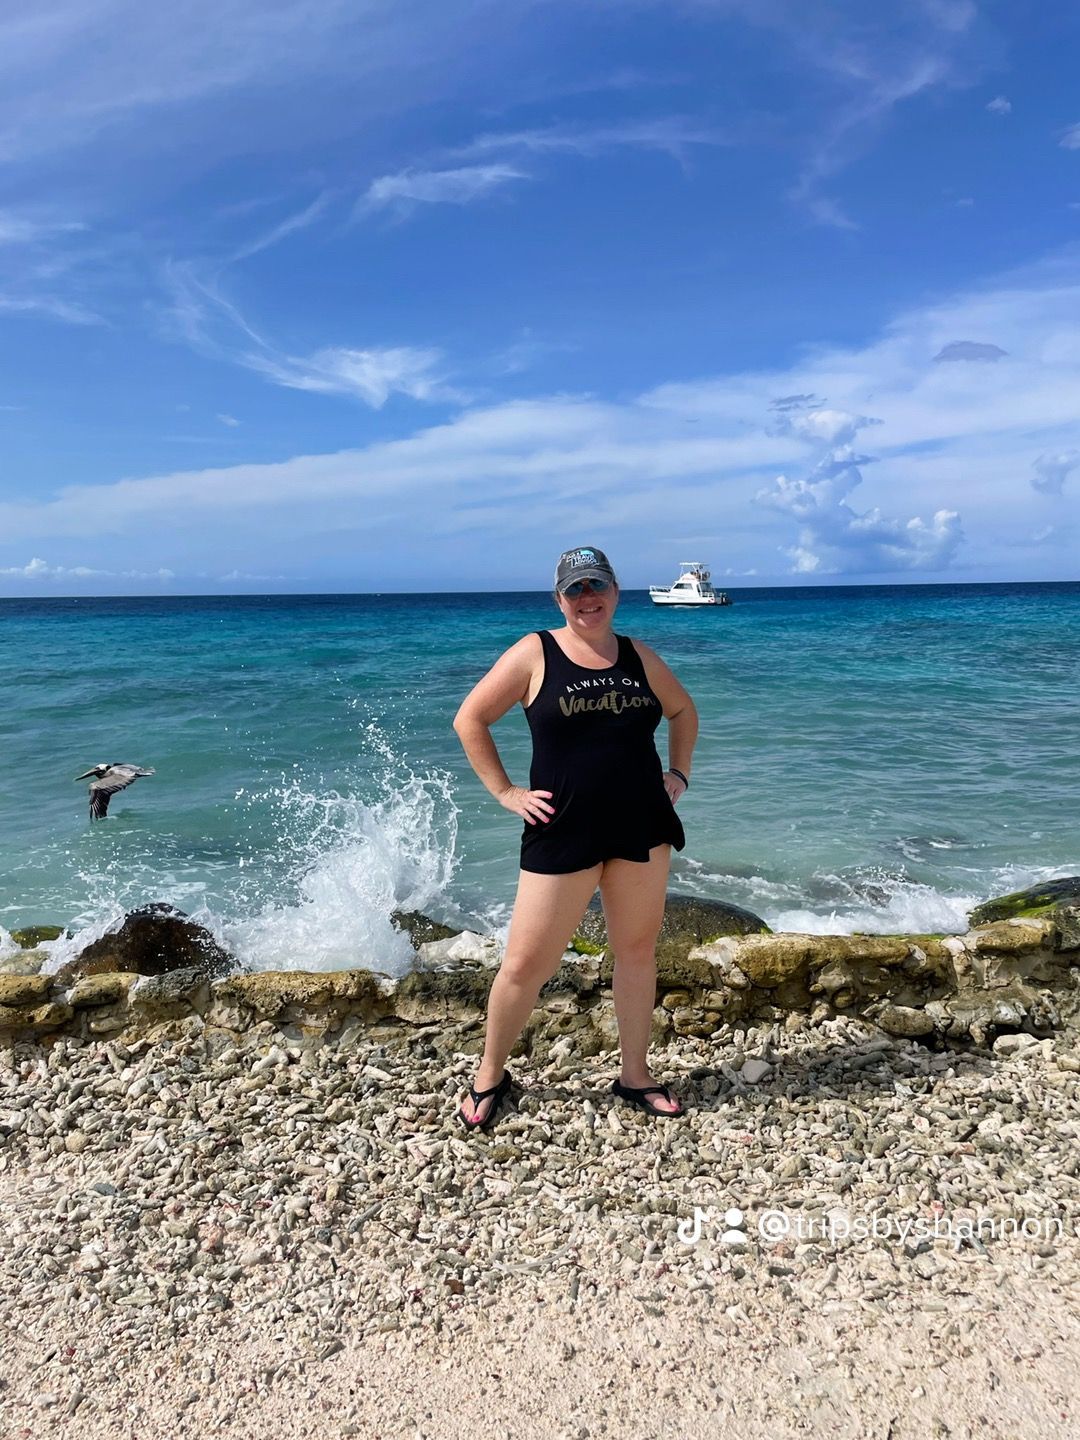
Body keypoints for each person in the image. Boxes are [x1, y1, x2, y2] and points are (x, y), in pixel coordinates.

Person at [452, 545, 699, 1129]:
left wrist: (679, 772)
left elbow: (683, 711)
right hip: (561, 830)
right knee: (525, 964)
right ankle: (490, 1077)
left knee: (635, 953)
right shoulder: (534, 652)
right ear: (559, 598)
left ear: (615, 591)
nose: (587, 599)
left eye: (597, 587)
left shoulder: (638, 655)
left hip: (641, 824)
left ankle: (635, 1076)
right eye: (575, 590)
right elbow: (470, 719)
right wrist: (508, 793)